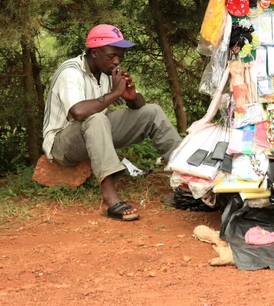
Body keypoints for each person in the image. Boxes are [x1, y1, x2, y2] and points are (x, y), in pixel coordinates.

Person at [42, 24, 182, 221]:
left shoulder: (108, 72)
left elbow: (139, 104)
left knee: (152, 111)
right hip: (62, 144)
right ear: (94, 53)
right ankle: (109, 199)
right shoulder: (70, 72)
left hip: (96, 131)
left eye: (119, 56)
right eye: (111, 56)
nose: (116, 61)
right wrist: (115, 93)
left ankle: (187, 181)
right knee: (96, 118)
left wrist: (131, 96)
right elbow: (78, 112)